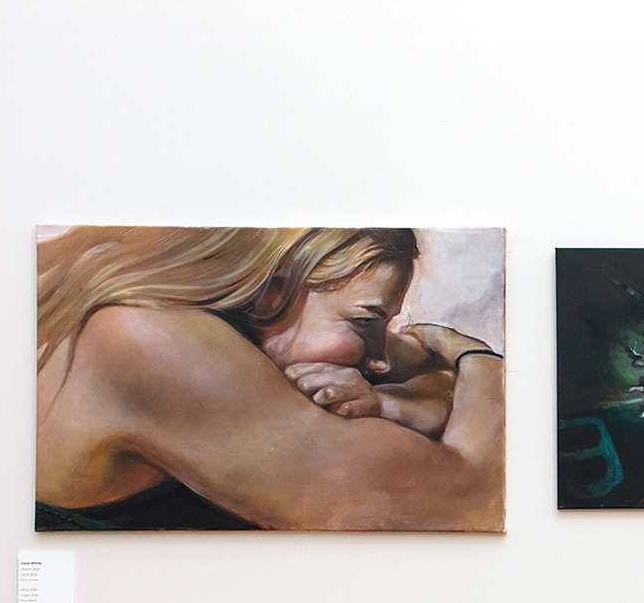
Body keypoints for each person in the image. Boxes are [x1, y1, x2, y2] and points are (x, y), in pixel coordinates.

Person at [36, 226, 504, 531]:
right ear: (274, 289)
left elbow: (421, 365)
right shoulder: (151, 340)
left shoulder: (211, 318)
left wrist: (394, 404)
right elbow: (470, 496)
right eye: (364, 322)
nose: (379, 360)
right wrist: (480, 360)